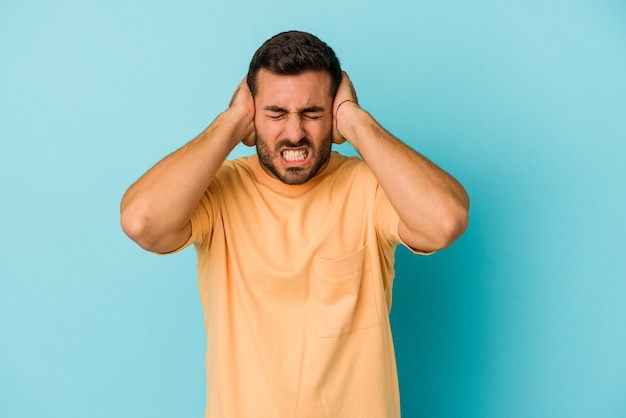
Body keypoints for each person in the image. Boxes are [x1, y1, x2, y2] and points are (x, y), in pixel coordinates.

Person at [120, 30, 469, 418]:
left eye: (312, 113)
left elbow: (444, 220)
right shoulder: (218, 192)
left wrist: (356, 121)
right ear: (254, 115)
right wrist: (231, 121)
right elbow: (141, 221)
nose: (294, 132)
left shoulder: (369, 187)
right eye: (275, 113)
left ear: (333, 115)